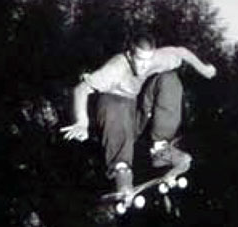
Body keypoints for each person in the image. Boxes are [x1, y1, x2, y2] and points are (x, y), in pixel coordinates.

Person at [61, 33, 216, 194]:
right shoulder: (115, 68)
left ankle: (160, 150)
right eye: (140, 60)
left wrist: (204, 69)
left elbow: (181, 52)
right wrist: (82, 122)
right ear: (129, 55)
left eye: (148, 60)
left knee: (169, 78)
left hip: (136, 112)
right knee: (115, 102)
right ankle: (121, 172)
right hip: (113, 115)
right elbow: (80, 89)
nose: (144, 66)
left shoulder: (156, 59)